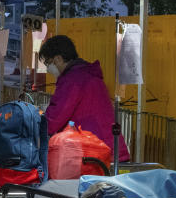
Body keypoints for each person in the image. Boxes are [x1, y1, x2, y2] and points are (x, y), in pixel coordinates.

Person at [39, 34, 130, 162]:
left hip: (97, 156)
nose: (48, 69)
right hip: (112, 150)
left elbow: (53, 120)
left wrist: (32, 124)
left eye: (48, 63)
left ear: (58, 59)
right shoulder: (88, 74)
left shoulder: (72, 80)